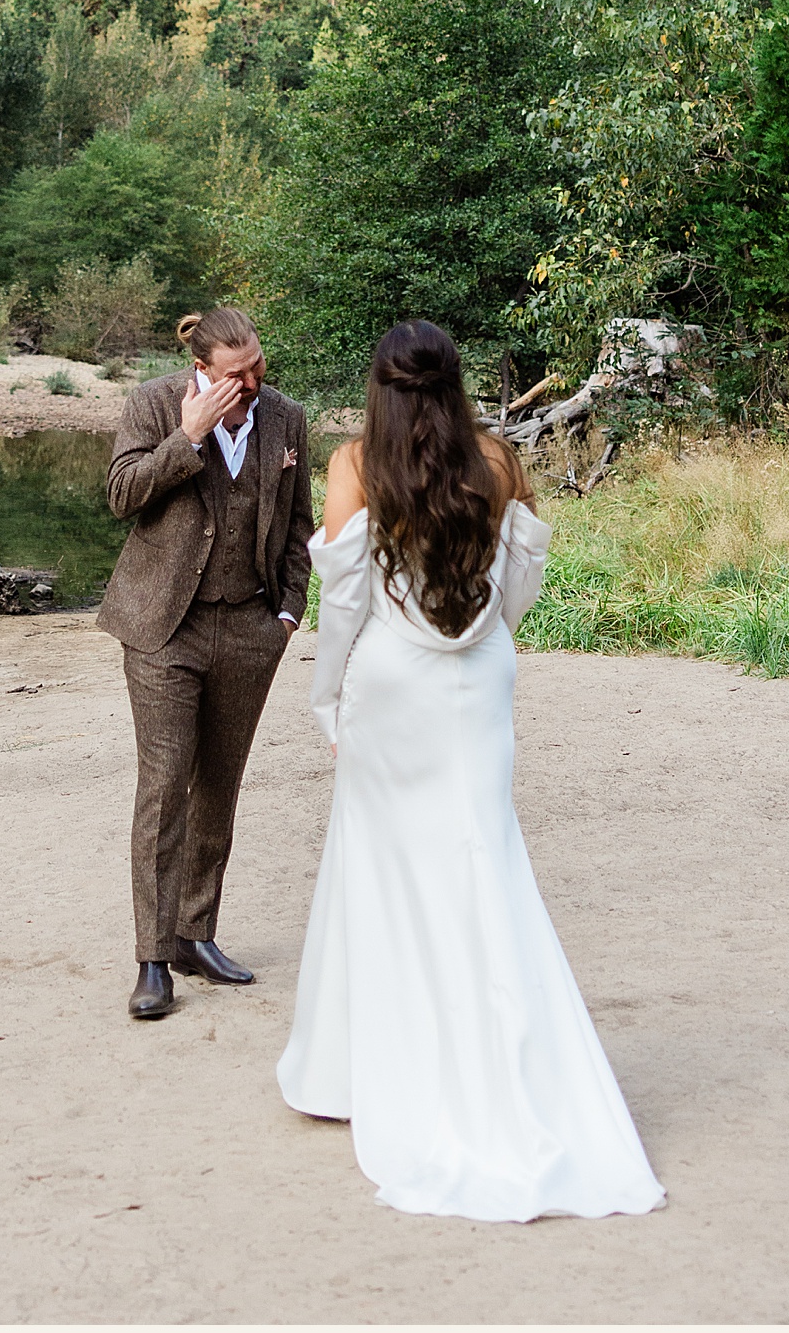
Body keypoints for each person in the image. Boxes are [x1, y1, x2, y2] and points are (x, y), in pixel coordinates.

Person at [276, 319, 665, 1221]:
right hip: (478, 686)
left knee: (382, 872)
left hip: (391, 690)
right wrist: (484, 642)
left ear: (380, 387)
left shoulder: (353, 468)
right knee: (487, 862)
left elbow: (344, 607)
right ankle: (505, 1057)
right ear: (452, 384)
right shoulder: (495, 461)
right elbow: (519, 580)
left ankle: (356, 1070)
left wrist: (327, 700)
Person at [96, 308, 314, 1020]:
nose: (252, 381)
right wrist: (187, 437)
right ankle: (153, 959)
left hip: (251, 627)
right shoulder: (154, 403)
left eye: (257, 367)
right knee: (164, 789)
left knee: (218, 787)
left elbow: (300, 523)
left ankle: (197, 935)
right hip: (163, 627)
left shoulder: (286, 417)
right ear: (202, 370)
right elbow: (121, 496)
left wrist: (287, 609)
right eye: (235, 374)